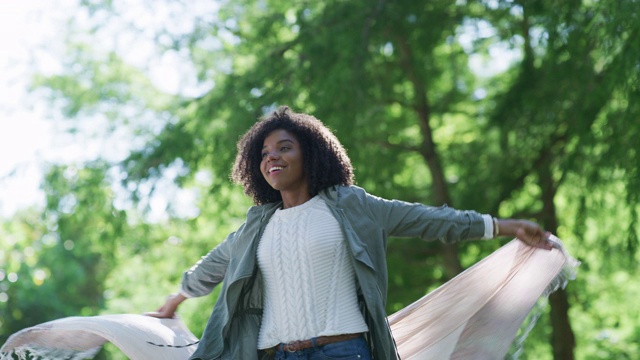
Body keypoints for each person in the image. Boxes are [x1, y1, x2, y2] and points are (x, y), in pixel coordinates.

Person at [147, 106, 553, 360]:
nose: (273, 157)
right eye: (265, 153)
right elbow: (212, 266)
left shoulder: (352, 206)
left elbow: (429, 220)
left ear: (311, 153)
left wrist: (504, 226)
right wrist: (174, 300)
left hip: (342, 351)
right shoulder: (257, 225)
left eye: (284, 147)